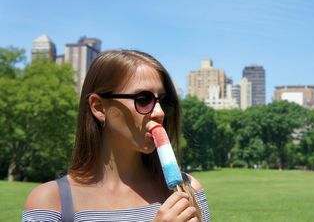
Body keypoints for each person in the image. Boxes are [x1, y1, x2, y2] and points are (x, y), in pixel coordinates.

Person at [22, 50, 211, 222]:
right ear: (98, 107)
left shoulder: (189, 190)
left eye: (164, 101)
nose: (160, 112)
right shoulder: (49, 203)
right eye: (143, 99)